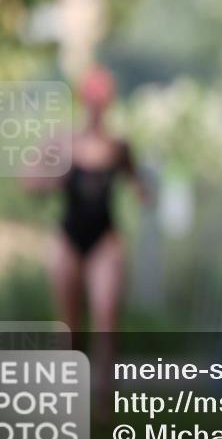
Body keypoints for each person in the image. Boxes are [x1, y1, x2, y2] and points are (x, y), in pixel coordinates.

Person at [25, 66, 148, 348]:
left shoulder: (118, 146)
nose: (96, 108)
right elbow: (29, 181)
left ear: (108, 103)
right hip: (68, 236)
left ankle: (105, 391)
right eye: (92, 101)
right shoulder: (62, 141)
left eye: (101, 102)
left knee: (107, 319)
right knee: (69, 326)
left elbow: (138, 183)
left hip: (105, 237)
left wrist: (143, 190)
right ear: (83, 101)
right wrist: (53, 179)